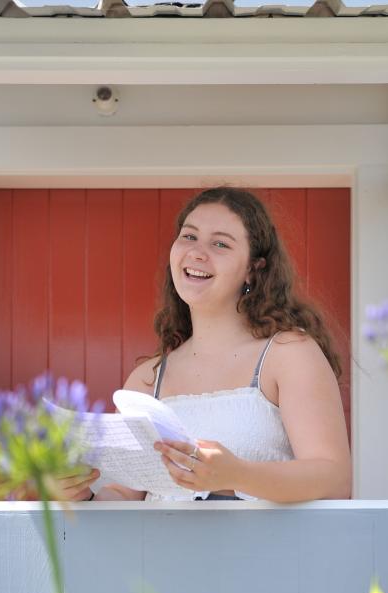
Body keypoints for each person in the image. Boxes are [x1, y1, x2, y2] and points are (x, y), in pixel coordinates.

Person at [83, 186, 352, 503]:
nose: (197, 252)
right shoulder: (145, 380)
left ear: (254, 268)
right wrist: (79, 493)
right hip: (161, 553)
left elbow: (333, 479)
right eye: (189, 236)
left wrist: (236, 474)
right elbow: (121, 494)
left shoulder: (289, 353)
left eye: (220, 243)